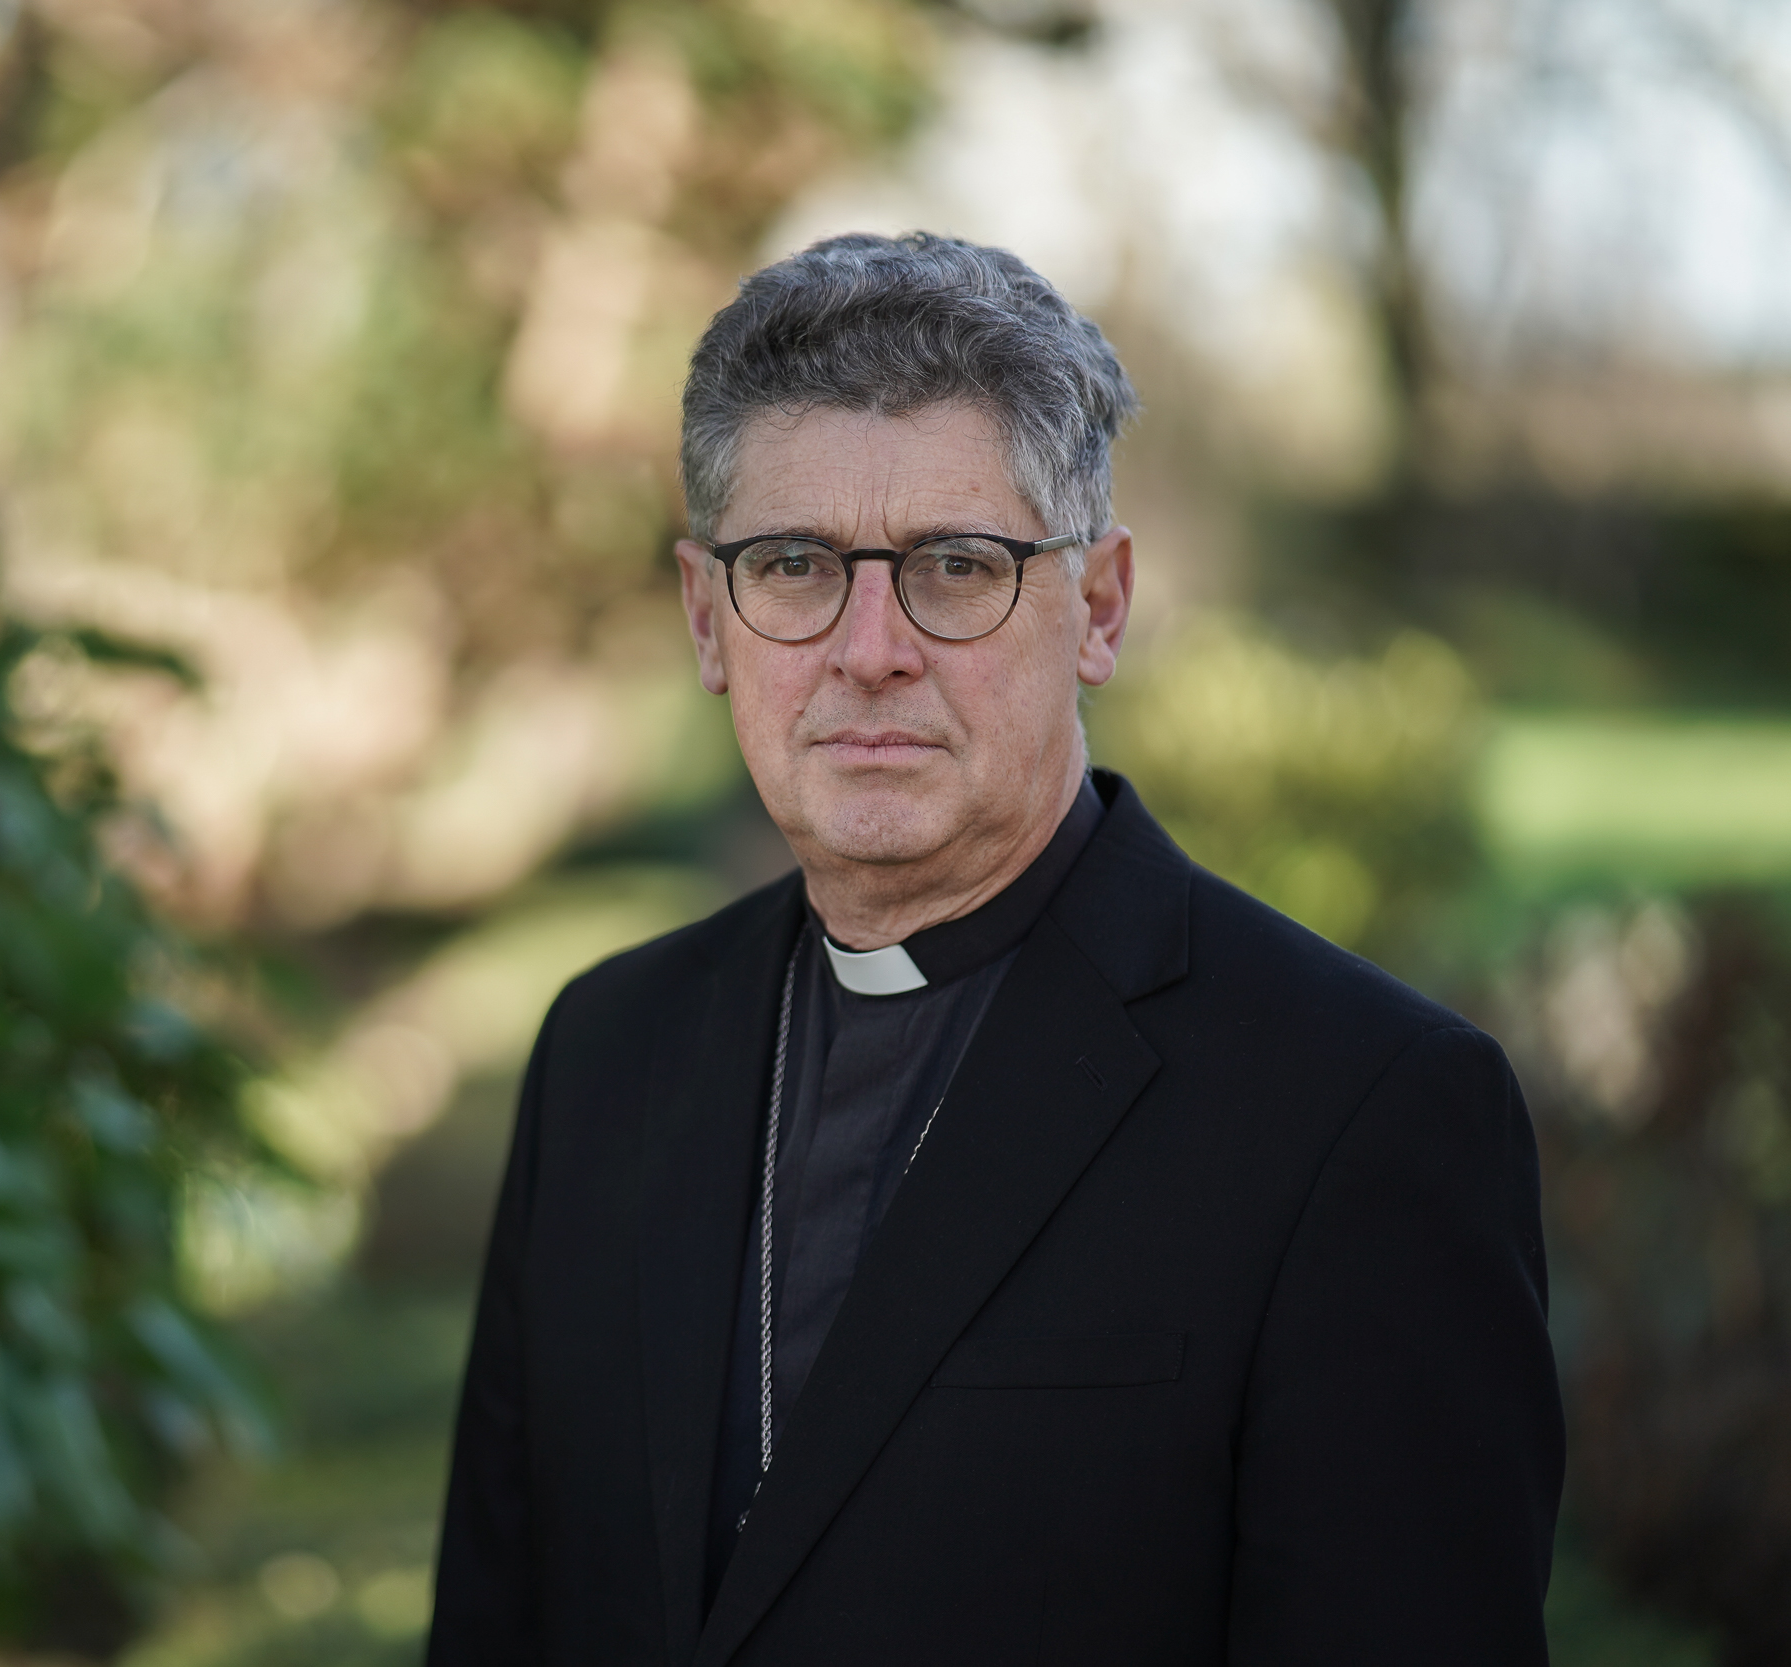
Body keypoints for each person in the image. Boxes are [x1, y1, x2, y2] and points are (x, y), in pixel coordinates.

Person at [426, 232, 1562, 1666]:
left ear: (1096, 606)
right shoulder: (605, 1052)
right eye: (793, 565)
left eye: (957, 568)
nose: (872, 648)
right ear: (709, 618)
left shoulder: (1364, 1111)